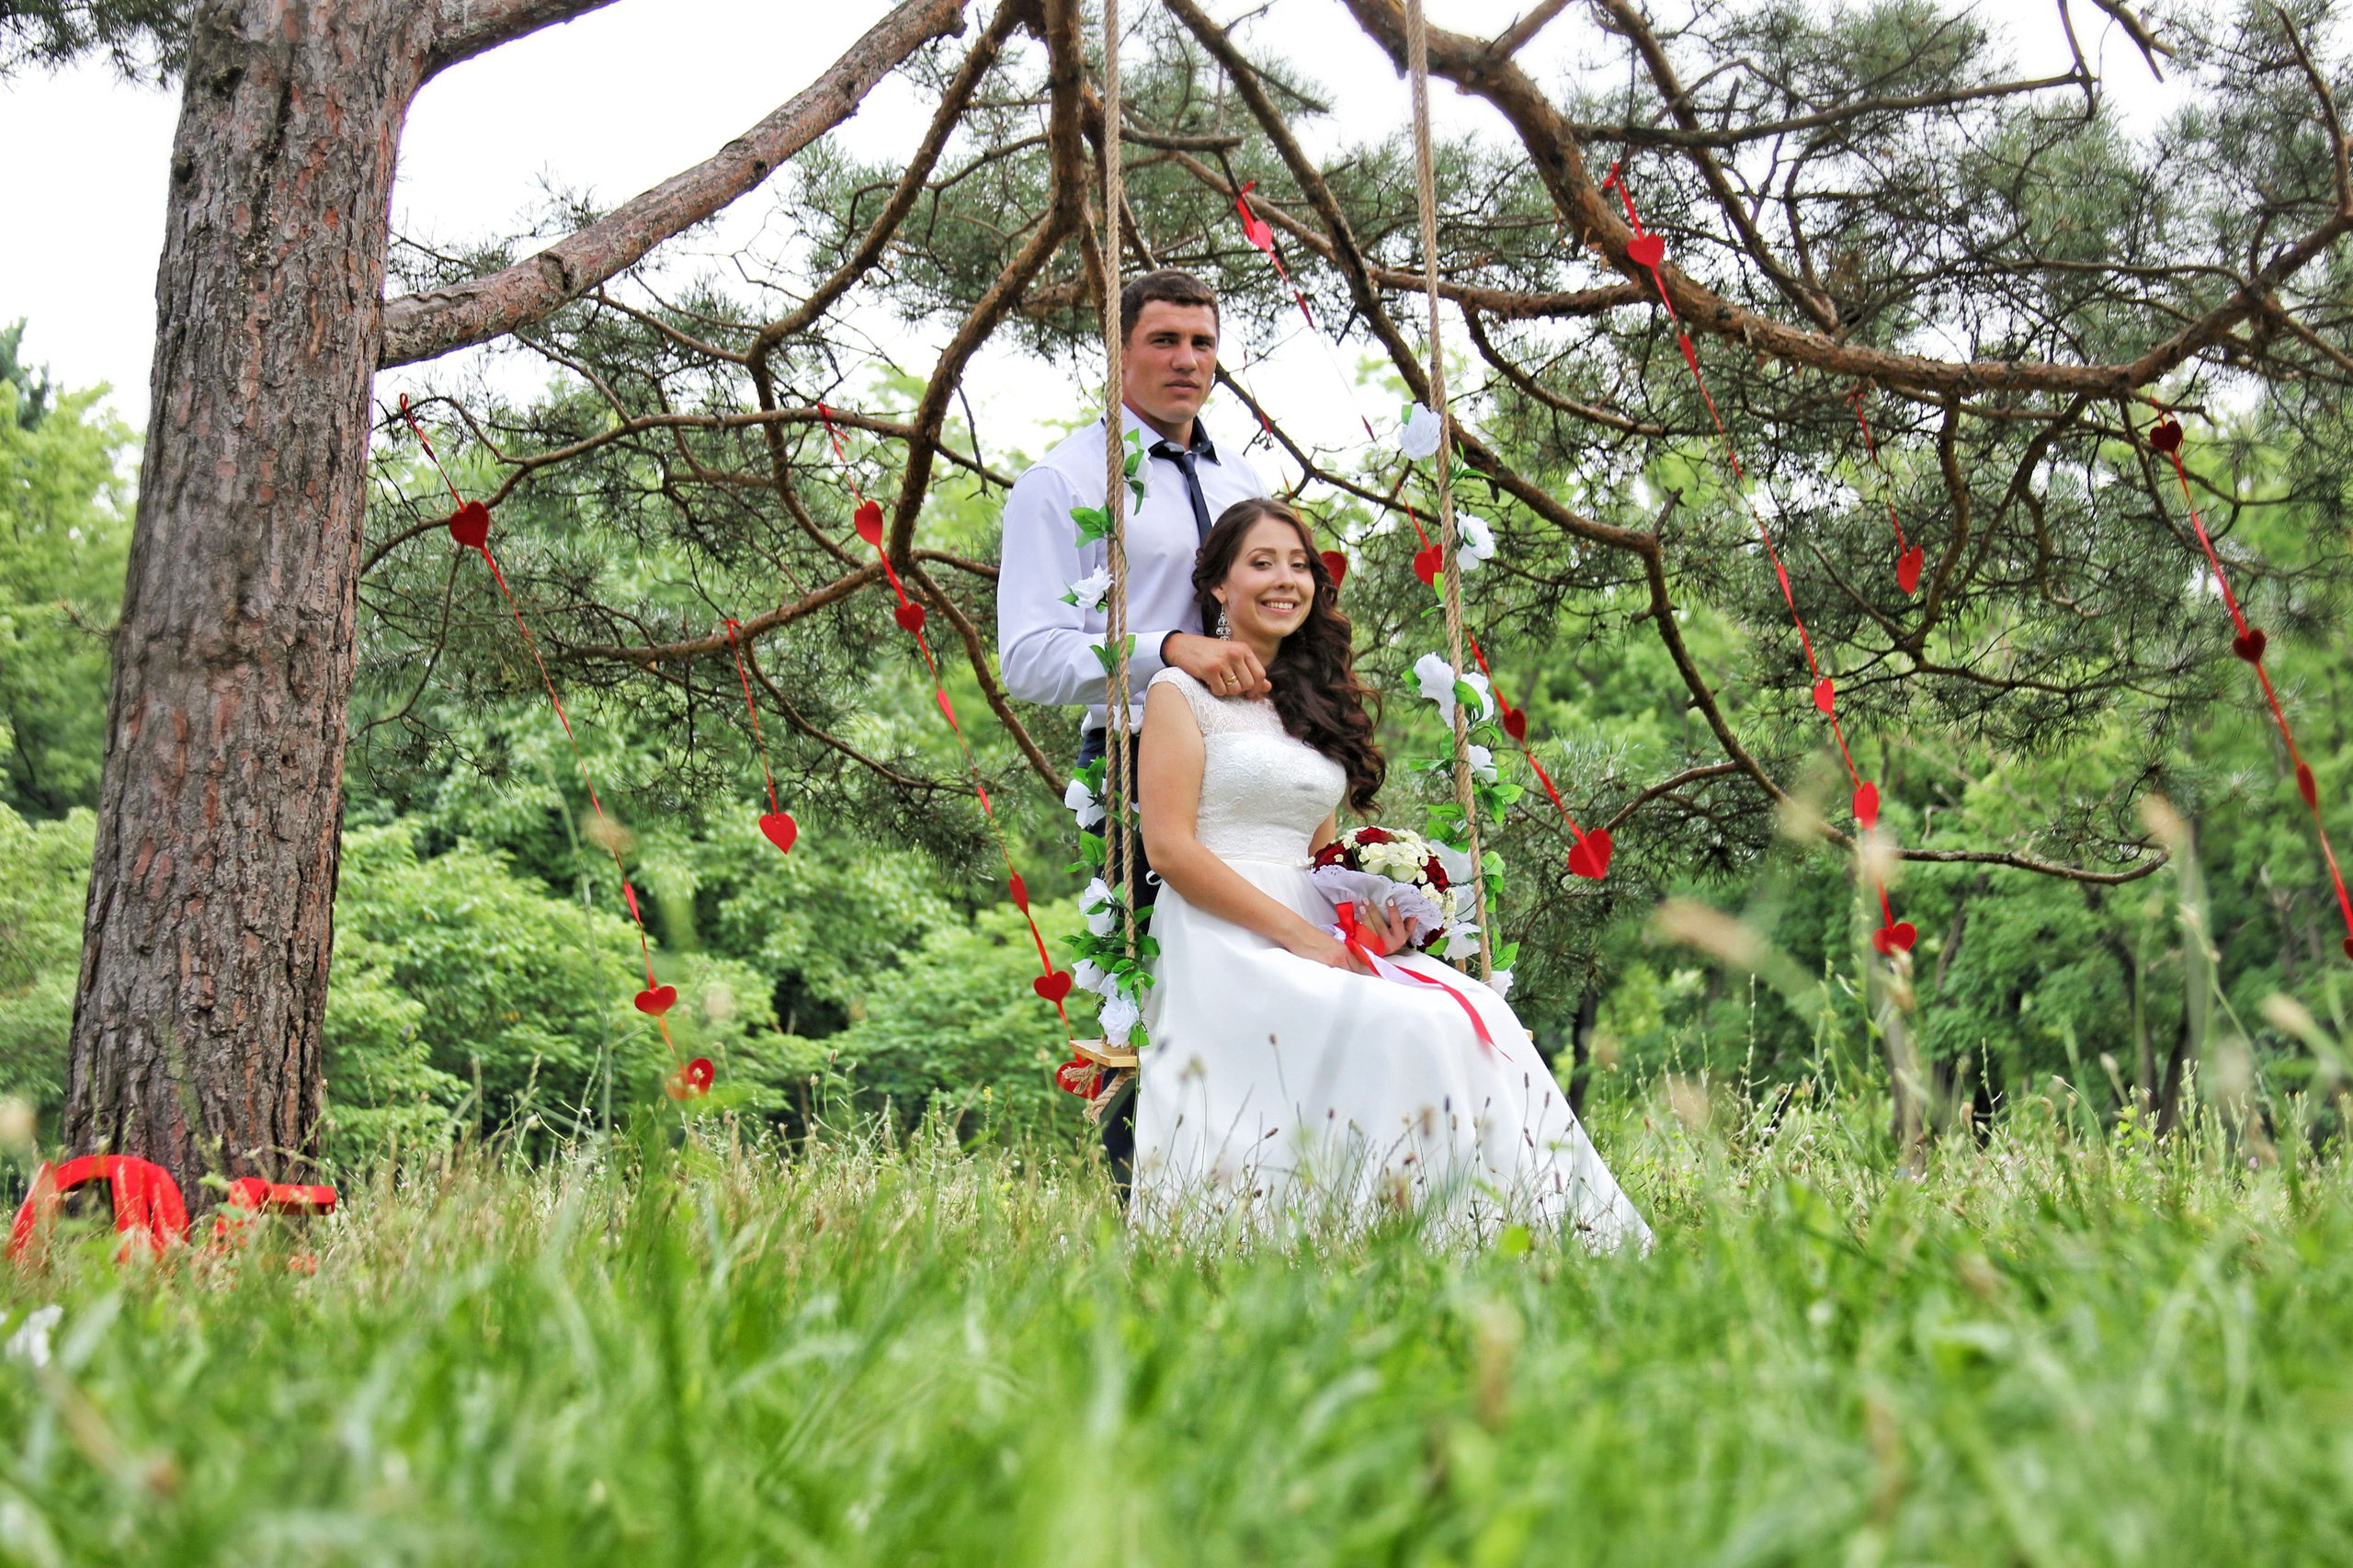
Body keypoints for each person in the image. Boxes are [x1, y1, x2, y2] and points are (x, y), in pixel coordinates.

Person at [1131, 497, 1652, 1248]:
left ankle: (1517, 1233)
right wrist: (1304, 942)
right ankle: (1388, 1228)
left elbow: (1317, 858)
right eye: (1262, 563)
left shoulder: (1307, 706)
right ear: (1217, 586)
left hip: (1305, 922)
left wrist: (1368, 916)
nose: (1286, 580)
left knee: (1473, 1013)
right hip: (1223, 937)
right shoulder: (1178, 696)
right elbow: (1171, 852)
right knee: (1406, 1021)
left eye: (1300, 565)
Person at [996, 269, 1268, 1186]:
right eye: (1163, 340)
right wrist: (1165, 648)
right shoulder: (1061, 480)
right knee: (1150, 984)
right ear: (1117, 353)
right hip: (1131, 754)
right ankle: (1141, 1206)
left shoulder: (1243, 479)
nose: (1186, 359)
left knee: (1255, 969)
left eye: (1200, 340)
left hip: (1249, 753)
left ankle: (1260, 1189)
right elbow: (1029, 655)